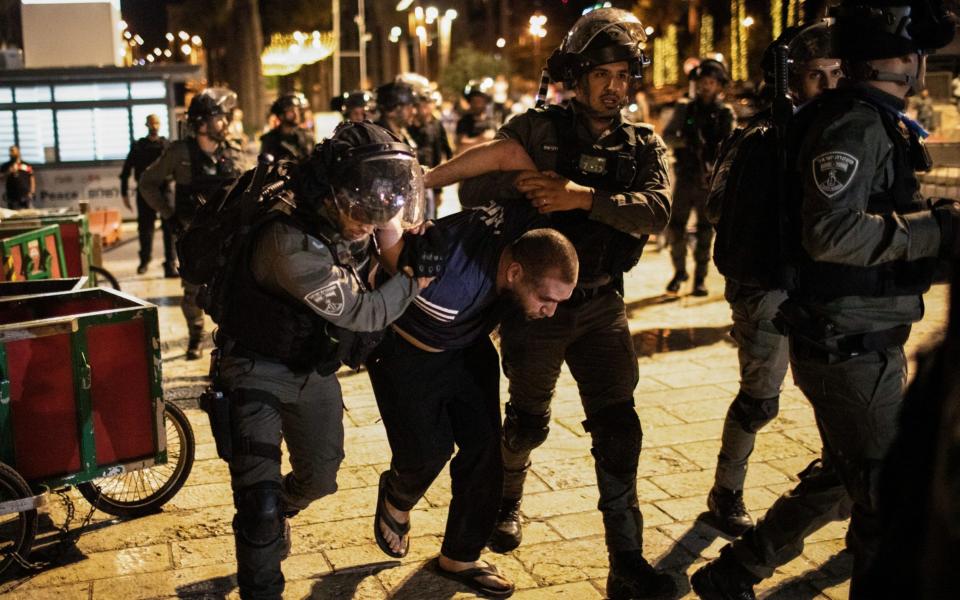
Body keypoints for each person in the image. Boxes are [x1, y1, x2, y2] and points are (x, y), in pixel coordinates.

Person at [691, 1, 958, 598]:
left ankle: (735, 571)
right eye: (914, 50)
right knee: (886, 503)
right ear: (899, 59)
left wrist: (933, 241)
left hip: (859, 338)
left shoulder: (867, 118)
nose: (920, 61)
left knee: (844, 477)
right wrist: (935, 229)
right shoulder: (855, 123)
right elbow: (831, 233)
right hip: (848, 345)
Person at [453, 8, 675, 598]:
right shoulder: (534, 130)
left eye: (623, 74)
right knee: (526, 423)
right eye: (600, 74)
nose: (613, 85)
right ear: (576, 76)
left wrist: (581, 198)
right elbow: (474, 186)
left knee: (619, 429)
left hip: (603, 305)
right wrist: (522, 185)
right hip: (537, 311)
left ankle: (626, 560)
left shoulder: (642, 143)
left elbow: (656, 210)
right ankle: (507, 501)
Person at [207, 121, 435, 600]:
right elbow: (364, 311)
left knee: (321, 478)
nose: (367, 225)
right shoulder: (289, 244)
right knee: (259, 503)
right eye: (361, 213)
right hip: (255, 368)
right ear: (330, 192)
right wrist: (415, 280)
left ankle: (281, 511)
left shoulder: (344, 209)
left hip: (312, 368)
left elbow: (384, 225)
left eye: (375, 214)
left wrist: (400, 228)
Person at [368, 204, 577, 598]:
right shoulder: (451, 287)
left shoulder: (523, 228)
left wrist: (430, 179)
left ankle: (460, 556)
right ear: (514, 273)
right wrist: (399, 222)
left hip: (467, 342)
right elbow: (390, 253)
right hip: (407, 348)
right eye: (545, 299)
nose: (549, 312)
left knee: (485, 447)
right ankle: (397, 497)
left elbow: (506, 153)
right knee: (427, 452)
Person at [702, 23, 845, 536]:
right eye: (816, 75)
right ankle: (726, 490)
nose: (828, 86)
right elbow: (721, 211)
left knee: (839, 393)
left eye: (836, 73)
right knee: (761, 399)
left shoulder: (846, 130)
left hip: (825, 289)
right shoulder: (763, 137)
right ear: (791, 80)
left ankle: (843, 488)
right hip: (769, 288)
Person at [140, 87, 246, 360]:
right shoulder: (179, 153)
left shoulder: (234, 151)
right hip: (194, 234)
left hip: (229, 234)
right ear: (201, 122)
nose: (225, 123)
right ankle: (196, 337)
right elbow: (147, 183)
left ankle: (230, 339)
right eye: (219, 118)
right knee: (192, 291)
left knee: (235, 289)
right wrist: (167, 214)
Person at [663, 58, 735, 296]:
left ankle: (700, 280)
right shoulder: (686, 108)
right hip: (686, 177)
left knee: (705, 231)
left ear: (718, 85)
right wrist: (686, 141)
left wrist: (715, 153)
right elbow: (668, 135)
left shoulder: (725, 113)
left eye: (711, 82)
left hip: (708, 180)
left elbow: (731, 147)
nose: (705, 86)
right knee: (676, 228)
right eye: (702, 82)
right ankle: (679, 272)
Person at [120, 114, 174, 276]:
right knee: (145, 228)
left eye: (157, 122)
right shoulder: (139, 146)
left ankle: (170, 263)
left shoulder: (167, 145)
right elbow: (126, 171)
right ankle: (144, 260)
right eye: (152, 123)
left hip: (164, 190)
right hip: (144, 191)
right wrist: (124, 194)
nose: (154, 126)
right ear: (147, 125)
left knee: (170, 228)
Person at [405, 75, 453, 218]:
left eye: (429, 104)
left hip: (429, 182)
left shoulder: (436, 125)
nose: (426, 109)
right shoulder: (406, 127)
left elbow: (441, 155)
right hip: (409, 183)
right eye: (423, 105)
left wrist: (438, 190)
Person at [259, 93, 314, 162]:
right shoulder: (269, 140)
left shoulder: (307, 136)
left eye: (297, 110)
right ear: (281, 115)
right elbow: (264, 167)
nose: (296, 114)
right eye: (291, 110)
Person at [456, 79, 496, 153]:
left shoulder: (491, 123)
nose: (477, 105)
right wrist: (481, 139)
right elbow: (461, 146)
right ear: (470, 102)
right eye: (474, 101)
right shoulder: (464, 122)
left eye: (480, 101)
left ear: (485, 102)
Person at [374, 81, 418, 149]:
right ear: (391, 110)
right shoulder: (379, 140)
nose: (414, 111)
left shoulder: (403, 134)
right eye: (409, 106)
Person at [1, 145, 35, 210]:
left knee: (29, 215)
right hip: (12, 196)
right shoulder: (6, 166)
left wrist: (31, 192)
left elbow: (32, 178)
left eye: (13, 151)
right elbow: (1, 178)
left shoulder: (26, 165)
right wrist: (9, 172)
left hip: (25, 195)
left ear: (18, 152)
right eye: (10, 151)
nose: (11, 153)